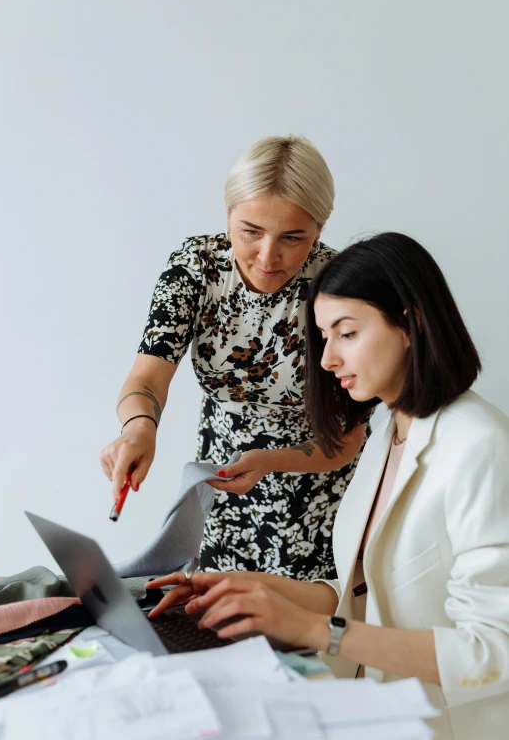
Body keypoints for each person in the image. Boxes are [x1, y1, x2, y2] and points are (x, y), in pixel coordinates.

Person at [148, 233, 509, 740]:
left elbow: (496, 650)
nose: (326, 360)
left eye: (346, 333)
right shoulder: (388, 431)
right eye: (324, 336)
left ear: (412, 323)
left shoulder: (481, 444)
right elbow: (363, 593)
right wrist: (252, 588)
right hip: (376, 710)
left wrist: (314, 631)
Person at [99, 135, 368, 580]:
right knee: (212, 621)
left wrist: (269, 459)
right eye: (250, 232)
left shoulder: (340, 286)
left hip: (319, 493)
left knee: (308, 635)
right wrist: (138, 428)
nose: (268, 256)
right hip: (221, 486)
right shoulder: (196, 267)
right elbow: (147, 377)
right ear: (227, 215)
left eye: (293, 237)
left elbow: (347, 439)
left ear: (320, 227)